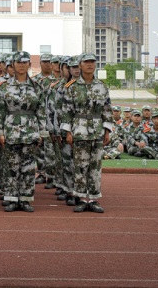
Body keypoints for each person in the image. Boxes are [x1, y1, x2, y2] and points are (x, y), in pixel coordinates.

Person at [61, 53, 113, 214]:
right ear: (80, 65)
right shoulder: (72, 87)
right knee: (80, 165)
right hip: (79, 129)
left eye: (92, 62)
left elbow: (107, 109)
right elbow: (66, 111)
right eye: (86, 62)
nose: (90, 65)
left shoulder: (102, 86)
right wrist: (68, 132)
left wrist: (107, 129)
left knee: (95, 166)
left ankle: (94, 199)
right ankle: (82, 198)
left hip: (97, 129)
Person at [0, 51, 45, 213]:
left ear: (29, 65)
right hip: (11, 130)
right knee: (11, 167)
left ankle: (25, 199)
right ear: (13, 65)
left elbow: (41, 111)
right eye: (18, 63)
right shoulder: (4, 87)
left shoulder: (37, 87)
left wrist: (42, 133)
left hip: (31, 131)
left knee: (28, 167)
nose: (22, 66)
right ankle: (11, 198)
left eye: (25, 63)